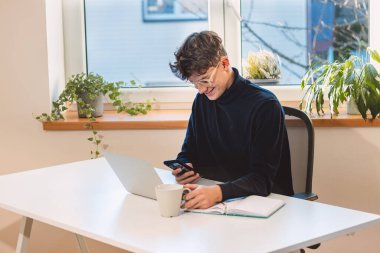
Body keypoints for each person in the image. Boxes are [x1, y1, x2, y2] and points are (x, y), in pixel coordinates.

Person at [169, 31, 294, 210]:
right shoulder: (202, 101)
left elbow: (262, 180)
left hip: (264, 206)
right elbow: (189, 152)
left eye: (205, 80)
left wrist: (217, 193)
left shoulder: (265, 106)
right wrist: (184, 167)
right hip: (217, 204)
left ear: (225, 64)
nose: (202, 90)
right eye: (195, 84)